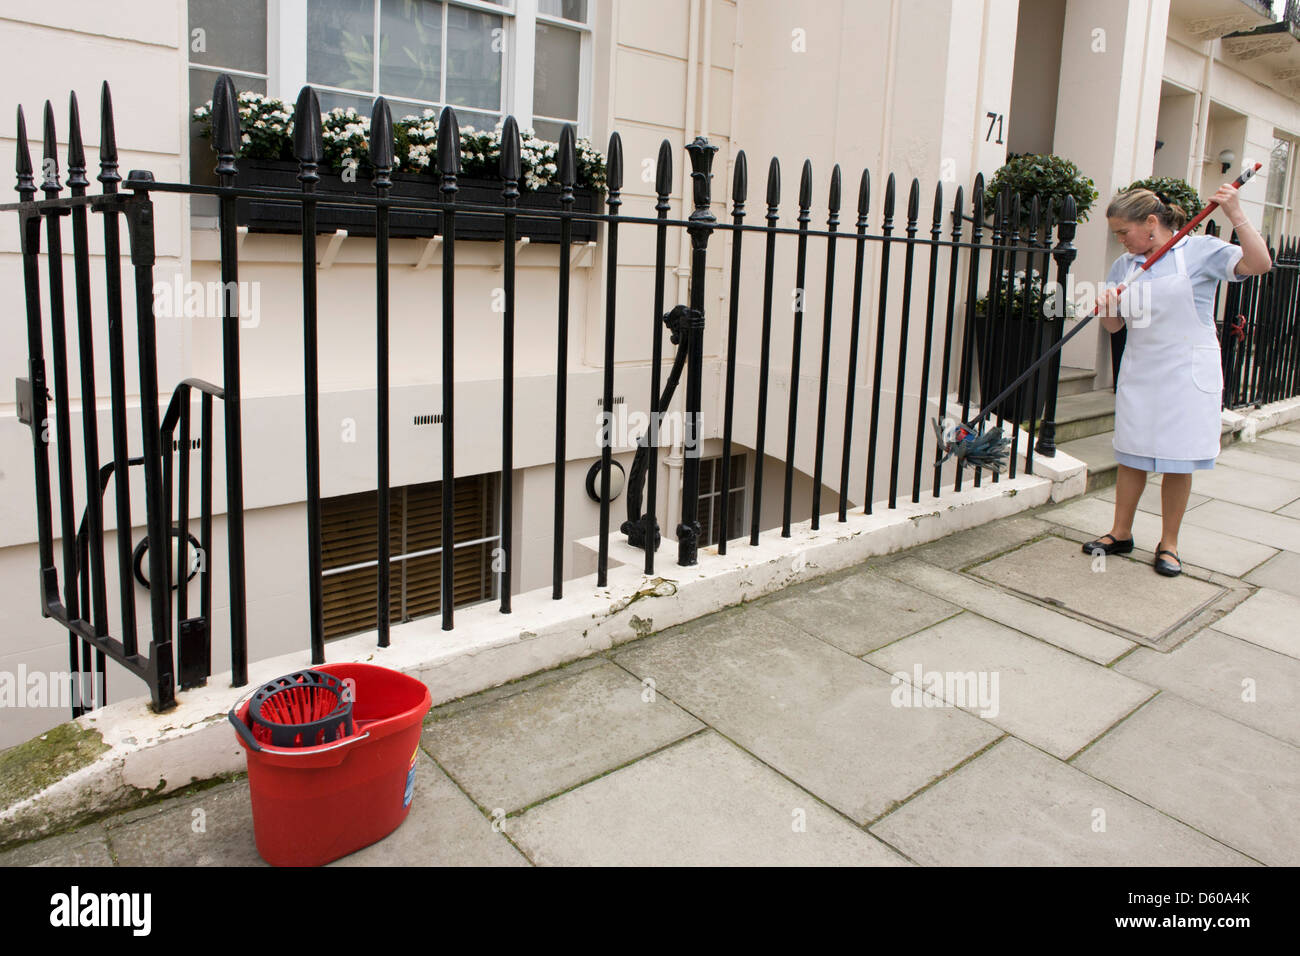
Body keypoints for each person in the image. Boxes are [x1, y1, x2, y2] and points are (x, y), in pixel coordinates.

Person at [1082, 181, 1272, 576]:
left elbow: (1260, 265)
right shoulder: (1125, 266)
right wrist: (1107, 307)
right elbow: (1115, 328)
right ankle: (1120, 532)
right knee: (1131, 453)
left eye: (1123, 232)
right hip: (1141, 371)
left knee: (1178, 460)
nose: (1121, 241)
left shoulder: (1199, 251)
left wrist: (1235, 213)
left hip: (1186, 373)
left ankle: (1168, 543)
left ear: (1151, 222)